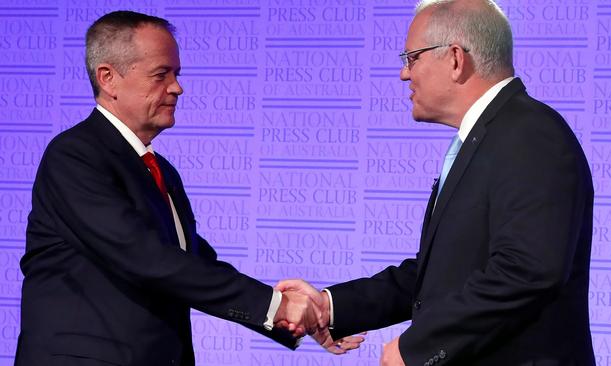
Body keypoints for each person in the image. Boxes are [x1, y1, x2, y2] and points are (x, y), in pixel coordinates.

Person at [15, 10, 360, 366]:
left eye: (176, 74)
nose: (177, 87)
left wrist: (295, 321)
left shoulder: (161, 171)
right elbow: (145, 256)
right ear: (109, 78)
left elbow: (193, 262)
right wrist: (276, 307)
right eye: (161, 74)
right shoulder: (75, 156)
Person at [278, 0, 596, 365]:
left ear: (456, 58)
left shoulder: (531, 135)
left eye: (412, 58)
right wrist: (331, 307)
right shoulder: (488, 138)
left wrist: (418, 347)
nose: (403, 74)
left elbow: (527, 271)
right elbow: (437, 277)